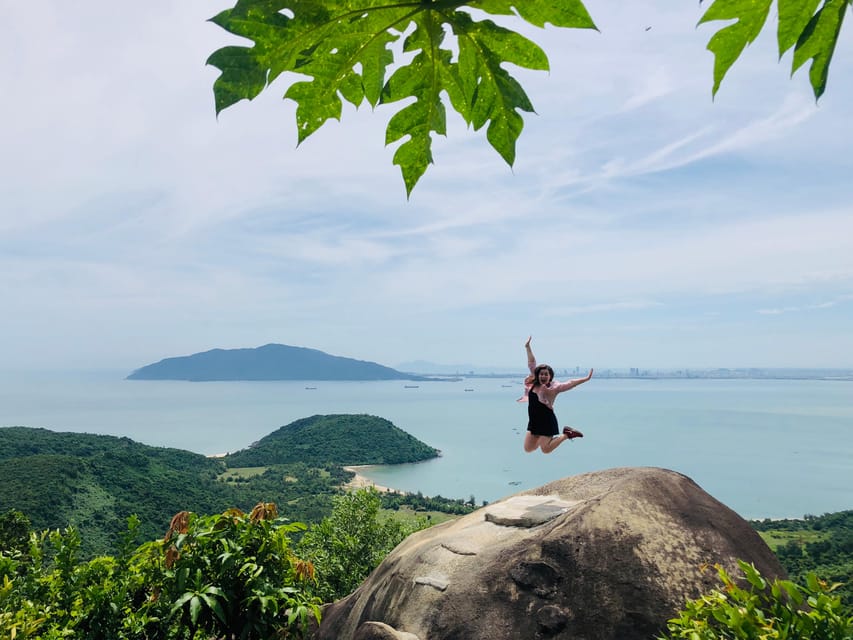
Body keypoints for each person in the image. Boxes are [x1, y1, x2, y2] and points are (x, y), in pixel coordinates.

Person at [520, 336, 593, 454]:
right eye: (541, 374)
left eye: (546, 374)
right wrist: (527, 347)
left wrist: (585, 379)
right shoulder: (534, 384)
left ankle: (566, 435)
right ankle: (544, 439)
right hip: (533, 421)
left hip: (546, 421)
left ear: (550, 376)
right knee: (528, 449)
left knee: (546, 449)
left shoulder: (554, 388)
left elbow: (570, 383)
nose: (543, 376)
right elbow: (531, 363)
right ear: (538, 375)